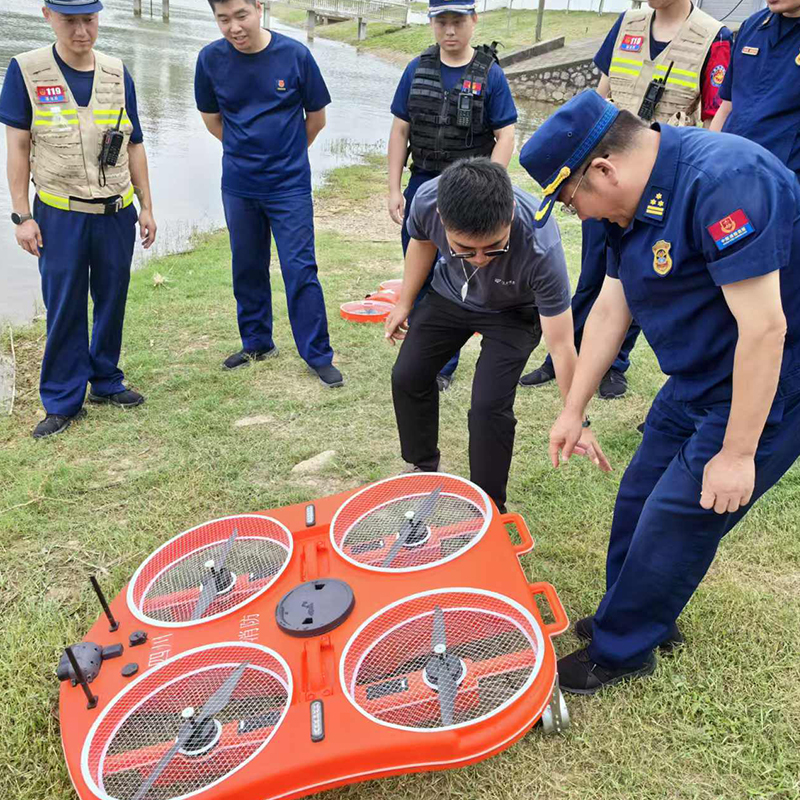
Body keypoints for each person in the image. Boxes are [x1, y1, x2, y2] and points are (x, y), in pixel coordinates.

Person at [521, 90, 800, 695]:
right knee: (639, 496)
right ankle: (640, 611)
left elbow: (765, 330)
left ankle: (622, 649)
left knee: (681, 515)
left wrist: (737, 453)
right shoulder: (630, 206)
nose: (581, 215)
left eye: (572, 201)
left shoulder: (724, 182)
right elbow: (611, 308)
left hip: (769, 378)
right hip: (698, 373)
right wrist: (573, 409)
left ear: (603, 170)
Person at [519, 0, 731, 402]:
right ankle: (565, 355)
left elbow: (713, 117)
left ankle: (615, 363)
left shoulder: (713, 36)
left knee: (639, 276)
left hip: (661, 182)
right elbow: (599, 94)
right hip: (598, 175)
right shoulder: (627, 23)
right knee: (593, 274)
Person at [385, 158, 609, 513]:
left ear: (510, 216)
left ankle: (489, 505)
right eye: (464, 249)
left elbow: (562, 345)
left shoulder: (540, 243)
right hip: (450, 294)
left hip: (514, 312)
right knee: (407, 375)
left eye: (494, 247)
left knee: (488, 407)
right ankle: (422, 465)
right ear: (443, 218)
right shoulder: (428, 199)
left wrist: (577, 417)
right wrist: (404, 302)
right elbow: (422, 242)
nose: (479, 259)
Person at [0, 0, 156, 439]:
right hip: (59, 214)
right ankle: (63, 399)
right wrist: (22, 215)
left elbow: (135, 145)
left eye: (89, 20)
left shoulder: (117, 72)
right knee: (65, 305)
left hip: (115, 212)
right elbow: (17, 149)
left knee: (112, 296)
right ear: (48, 16)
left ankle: (106, 379)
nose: (82, 31)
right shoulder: (26, 71)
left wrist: (146, 206)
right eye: (70, 21)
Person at [195, 0, 342, 387]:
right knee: (247, 265)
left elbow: (317, 118)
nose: (234, 27)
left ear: (259, 7)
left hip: (289, 185)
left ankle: (317, 354)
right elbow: (212, 119)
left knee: (300, 268)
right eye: (223, 19)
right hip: (239, 185)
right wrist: (244, 152)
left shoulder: (295, 56)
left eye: (241, 15)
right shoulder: (210, 60)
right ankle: (257, 343)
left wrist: (286, 154)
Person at [387, 0, 517, 392]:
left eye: (457, 22)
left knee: (457, 274)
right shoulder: (416, 69)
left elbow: (506, 135)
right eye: (441, 22)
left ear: (473, 21)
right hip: (422, 183)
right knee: (419, 270)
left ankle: (444, 365)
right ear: (432, 23)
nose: (449, 30)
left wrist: (490, 185)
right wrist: (393, 188)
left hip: (468, 188)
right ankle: (420, 354)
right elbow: (399, 131)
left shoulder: (490, 74)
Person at [709, 0, 800, 178]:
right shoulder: (753, 26)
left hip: (783, 181)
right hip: (728, 172)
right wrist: (707, 161)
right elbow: (726, 108)